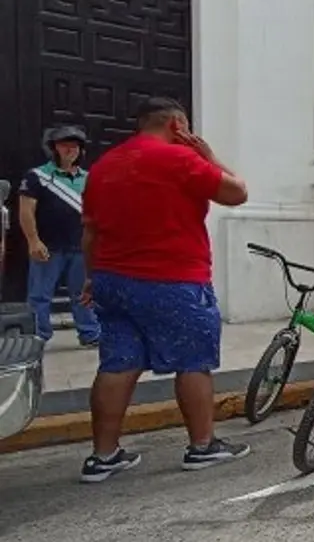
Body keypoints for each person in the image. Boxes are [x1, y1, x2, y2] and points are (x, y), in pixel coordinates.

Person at [79, 97, 250, 483]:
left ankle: (103, 456)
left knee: (118, 362)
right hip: (172, 278)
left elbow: (89, 232)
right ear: (177, 125)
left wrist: (92, 277)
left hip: (112, 279)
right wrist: (209, 156)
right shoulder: (180, 160)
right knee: (193, 360)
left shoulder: (103, 167)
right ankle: (202, 446)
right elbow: (237, 193)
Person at [18, 125, 100, 346]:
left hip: (80, 248)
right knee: (39, 296)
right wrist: (33, 241)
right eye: (65, 144)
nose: (70, 149)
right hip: (48, 248)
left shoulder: (89, 178)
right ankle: (37, 337)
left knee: (83, 294)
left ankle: (90, 334)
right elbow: (26, 210)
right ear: (53, 148)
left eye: (75, 145)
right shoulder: (37, 176)